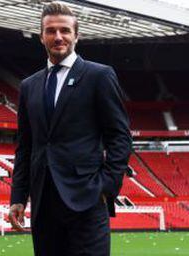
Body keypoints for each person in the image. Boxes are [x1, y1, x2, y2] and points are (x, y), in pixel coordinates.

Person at [9, 2, 132, 256]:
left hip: (87, 199)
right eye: (50, 31)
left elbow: (119, 137)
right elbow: (26, 146)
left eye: (64, 30)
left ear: (76, 35)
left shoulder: (99, 76)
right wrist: (18, 196)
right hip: (44, 204)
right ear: (41, 36)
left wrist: (106, 186)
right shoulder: (29, 86)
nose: (58, 37)